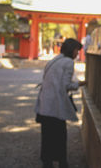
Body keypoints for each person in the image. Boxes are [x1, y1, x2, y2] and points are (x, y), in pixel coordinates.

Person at [35, 38, 86, 168]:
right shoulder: (68, 62)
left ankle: (47, 162)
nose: (77, 54)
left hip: (45, 103)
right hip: (55, 105)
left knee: (47, 136)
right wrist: (80, 83)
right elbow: (66, 85)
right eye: (76, 50)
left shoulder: (54, 60)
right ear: (72, 49)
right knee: (59, 135)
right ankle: (62, 162)